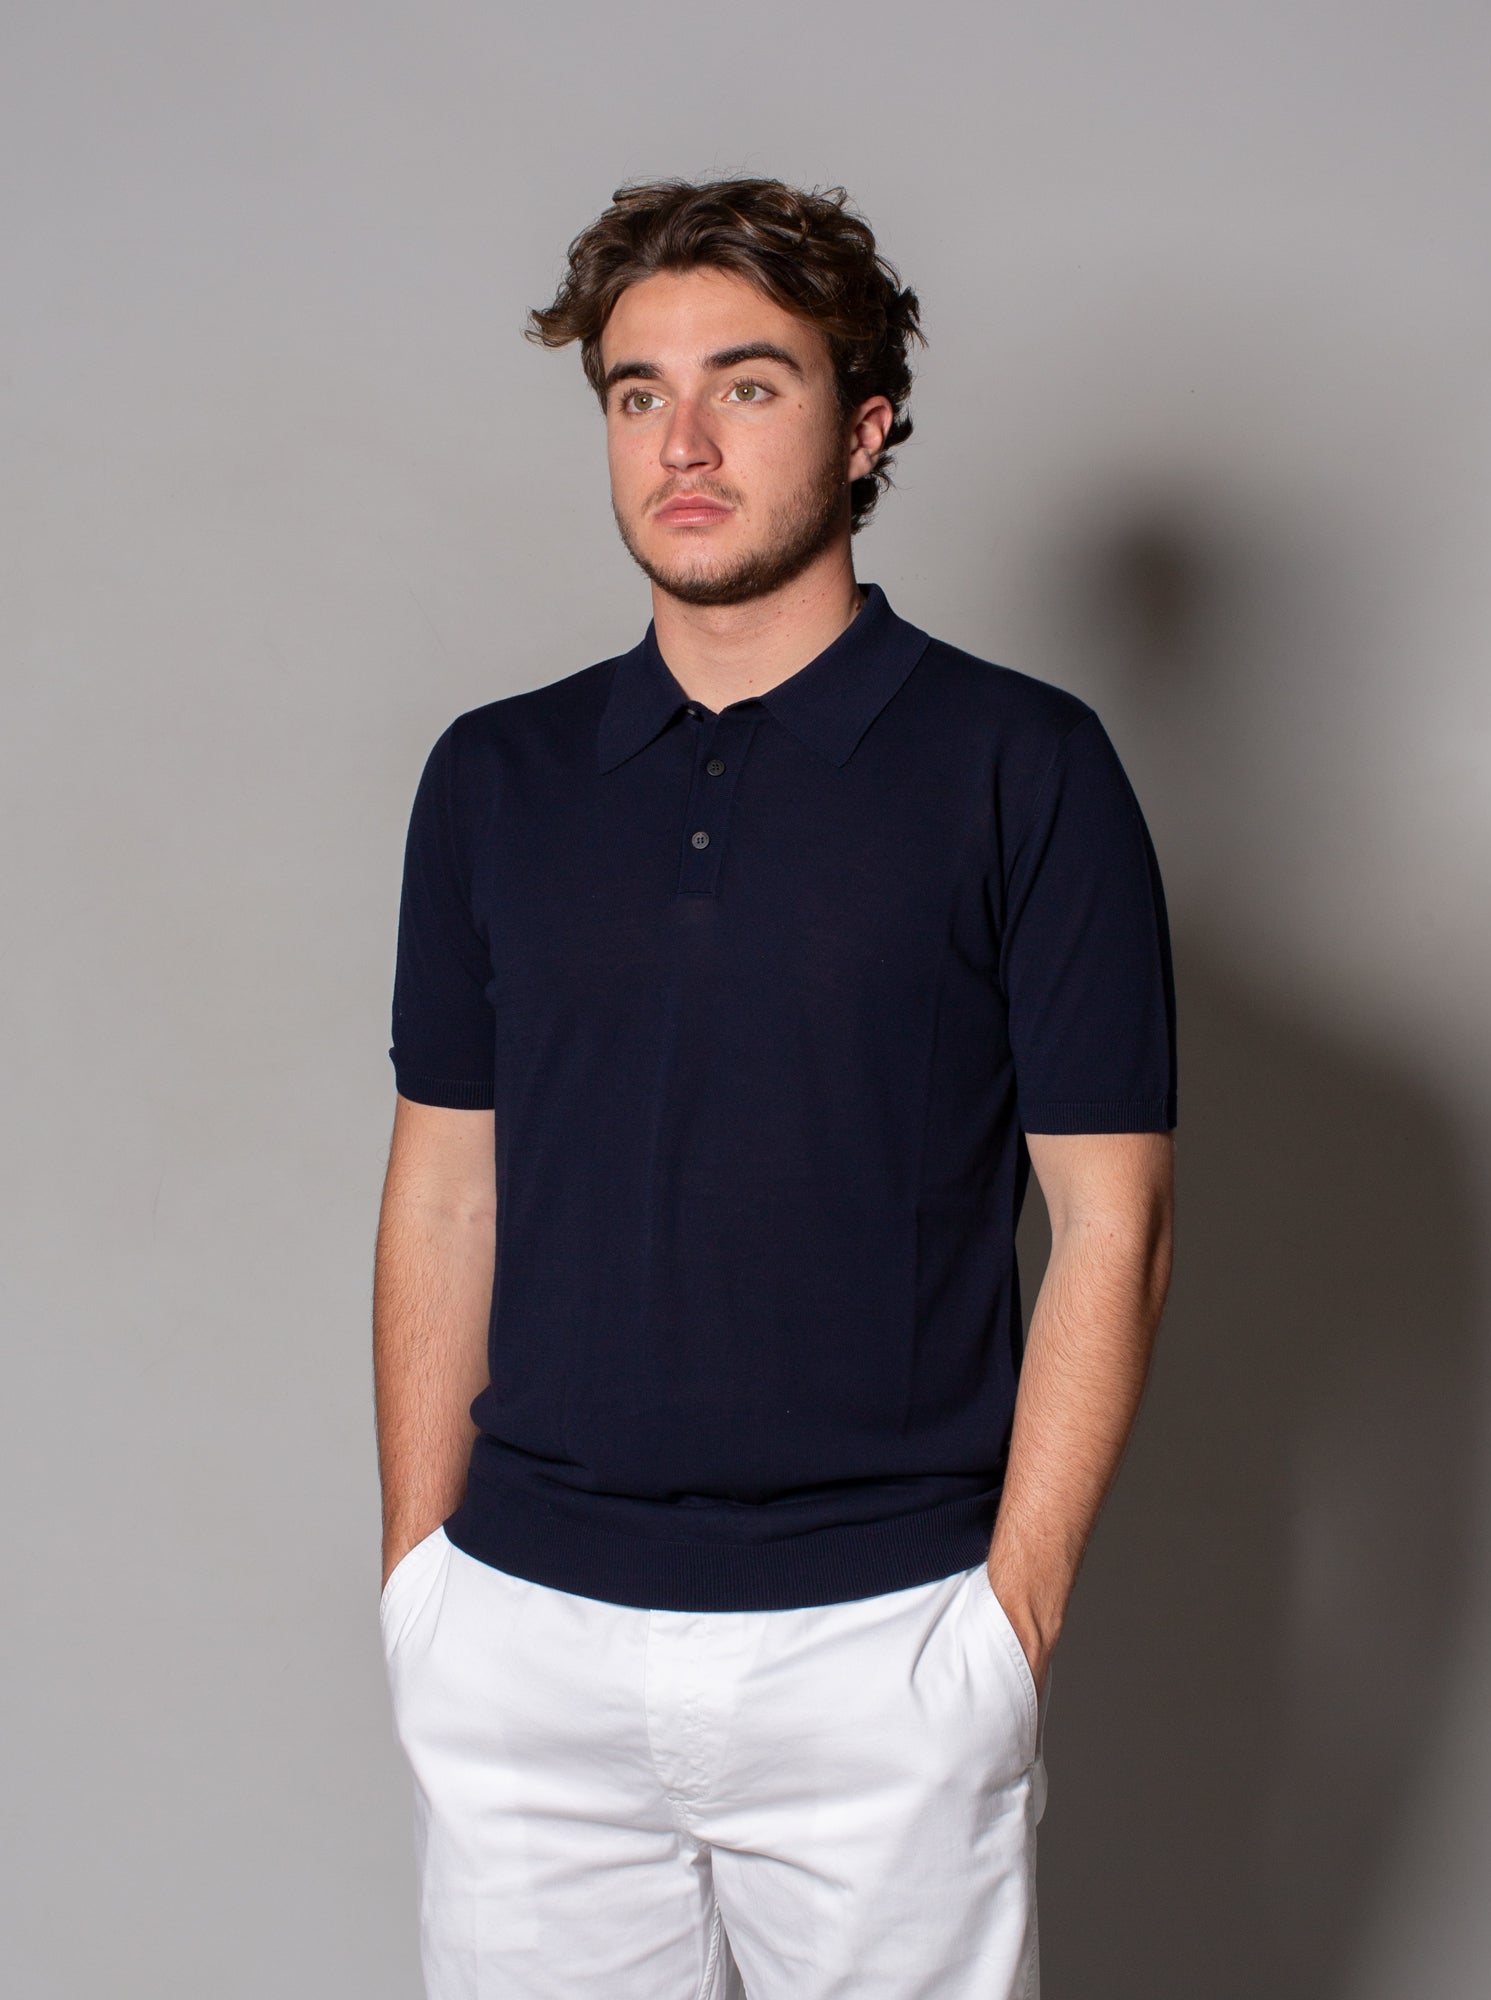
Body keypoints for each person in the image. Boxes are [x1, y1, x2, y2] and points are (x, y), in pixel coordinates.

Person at [372, 173, 1177, 2000]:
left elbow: (1112, 1224)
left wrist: (1008, 1625)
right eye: (638, 393)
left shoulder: (1023, 765)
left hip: (881, 1646)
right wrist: (423, 1581)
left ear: (864, 423)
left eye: (747, 384)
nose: (684, 442)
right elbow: (444, 1188)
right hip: (522, 1641)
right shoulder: (495, 777)